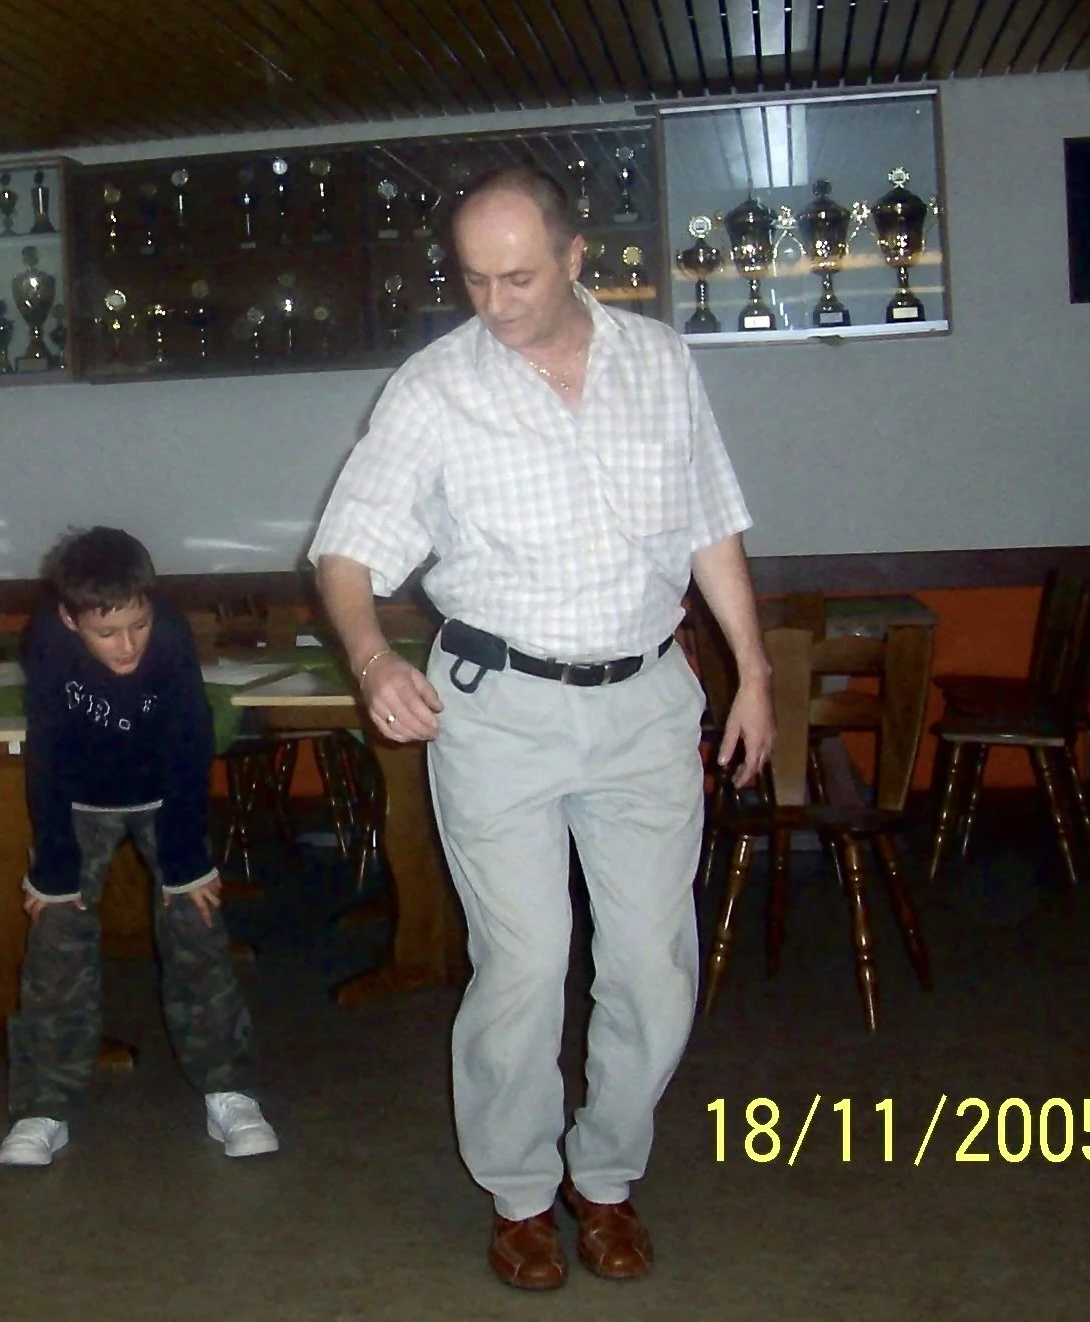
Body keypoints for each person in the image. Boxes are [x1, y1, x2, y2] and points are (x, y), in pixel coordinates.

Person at [309, 167, 773, 1291]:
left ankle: (603, 1176)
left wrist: (752, 671)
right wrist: (372, 657)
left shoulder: (660, 360)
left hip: (647, 700)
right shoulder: (430, 391)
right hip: (501, 709)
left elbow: (711, 524)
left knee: (655, 970)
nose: (495, 301)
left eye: (518, 275)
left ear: (575, 258)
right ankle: (519, 1194)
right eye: (472, 277)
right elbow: (344, 550)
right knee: (522, 964)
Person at [0, 527, 278, 1166]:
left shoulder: (171, 637)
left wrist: (187, 864)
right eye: (107, 633)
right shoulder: (44, 641)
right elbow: (47, 752)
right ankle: (43, 1106)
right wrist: (54, 868)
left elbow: (188, 742)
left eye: (138, 625)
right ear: (70, 621)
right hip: (79, 799)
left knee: (199, 925)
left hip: (163, 792)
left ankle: (229, 1091)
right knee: (55, 940)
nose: (127, 646)